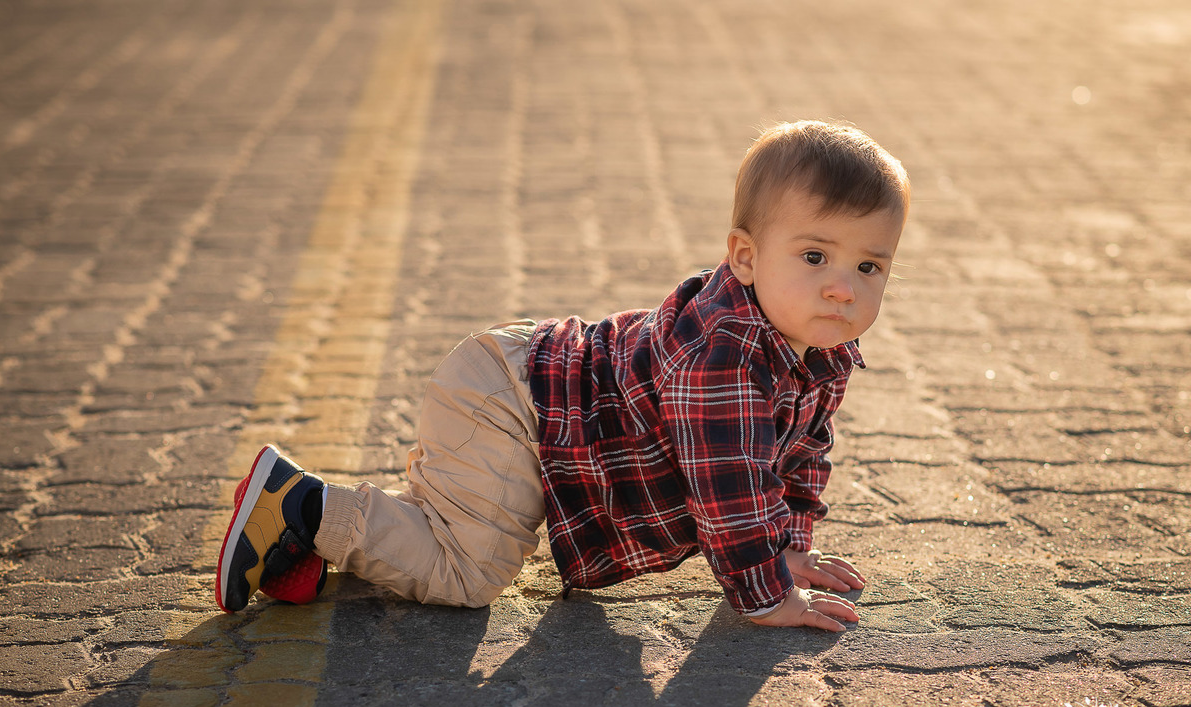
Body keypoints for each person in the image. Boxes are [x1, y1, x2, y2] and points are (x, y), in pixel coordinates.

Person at [215, 120, 910, 630]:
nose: (843, 288)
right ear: (746, 256)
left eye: (868, 266)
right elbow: (727, 480)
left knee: (457, 532)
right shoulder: (723, 355)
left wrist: (789, 545)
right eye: (815, 256)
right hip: (510, 402)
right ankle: (300, 504)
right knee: (469, 573)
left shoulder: (812, 348)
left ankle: (312, 537)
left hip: (524, 386)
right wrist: (764, 591)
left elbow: (797, 453)